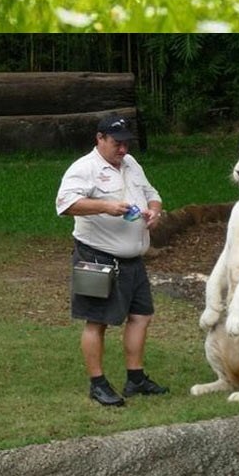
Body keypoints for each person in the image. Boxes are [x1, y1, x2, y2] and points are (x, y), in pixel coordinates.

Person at [56, 112, 168, 406]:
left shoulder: (130, 164)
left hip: (133, 259)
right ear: (100, 139)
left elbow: (150, 192)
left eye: (126, 144)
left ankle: (136, 378)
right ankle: (98, 383)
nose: (123, 149)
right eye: (117, 143)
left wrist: (154, 210)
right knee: (97, 322)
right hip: (97, 257)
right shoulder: (84, 168)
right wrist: (105, 206)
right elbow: (65, 204)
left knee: (141, 316)